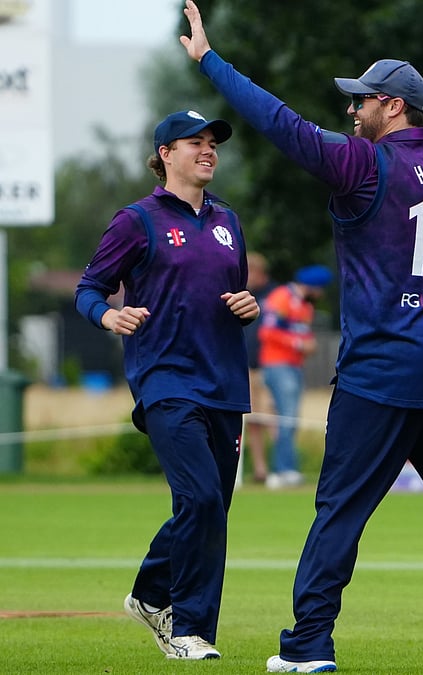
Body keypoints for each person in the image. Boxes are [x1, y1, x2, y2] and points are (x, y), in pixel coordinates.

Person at [179, 3, 423, 672]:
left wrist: (209, 61)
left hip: (381, 371)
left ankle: (308, 643)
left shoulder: (363, 164)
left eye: (363, 100)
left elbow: (276, 121)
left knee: (339, 508)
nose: (353, 111)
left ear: (395, 107)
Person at [75, 109, 259, 661]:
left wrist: (248, 306)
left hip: (224, 382)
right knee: (199, 498)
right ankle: (189, 630)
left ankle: (151, 593)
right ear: (164, 155)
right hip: (166, 382)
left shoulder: (229, 220)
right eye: (194, 143)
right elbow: (89, 289)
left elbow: (235, 294)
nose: (208, 151)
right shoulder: (137, 220)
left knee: (210, 508)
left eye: (212, 144)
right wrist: (109, 317)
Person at [259, 264, 332, 489]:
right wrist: (300, 343)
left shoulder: (305, 307)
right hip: (277, 364)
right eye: (320, 289)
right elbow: (267, 331)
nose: (321, 294)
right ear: (312, 286)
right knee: (287, 419)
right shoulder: (281, 297)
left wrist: (307, 344)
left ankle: (287, 468)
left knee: (290, 419)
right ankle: (283, 471)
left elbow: (300, 332)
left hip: (293, 365)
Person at [244, 251, 275, 484]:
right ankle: (260, 469)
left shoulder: (275, 295)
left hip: (268, 367)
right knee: (252, 421)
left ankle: (283, 467)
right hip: (243, 367)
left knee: (272, 417)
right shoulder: (238, 295)